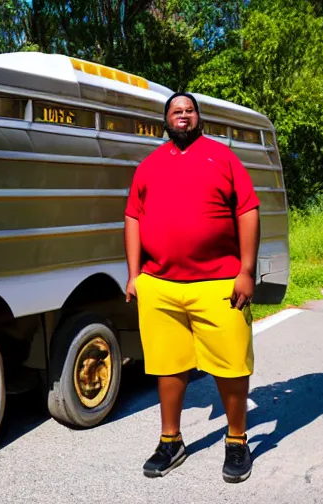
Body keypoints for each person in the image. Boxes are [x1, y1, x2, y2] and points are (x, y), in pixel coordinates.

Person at [124, 92, 260, 484]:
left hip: (219, 283)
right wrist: (135, 274)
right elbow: (133, 216)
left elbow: (247, 210)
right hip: (161, 286)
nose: (182, 116)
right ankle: (171, 441)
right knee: (168, 366)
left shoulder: (223, 157)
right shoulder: (149, 165)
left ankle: (236, 440)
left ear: (198, 118)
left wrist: (246, 270)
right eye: (175, 111)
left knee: (232, 365)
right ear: (165, 120)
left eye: (189, 110)